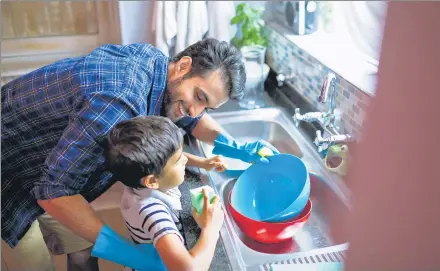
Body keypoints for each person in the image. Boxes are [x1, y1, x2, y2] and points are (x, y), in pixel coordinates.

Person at [1, 38, 279, 270]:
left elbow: (188, 115)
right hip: (10, 175)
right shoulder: (118, 103)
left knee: (82, 250)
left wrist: (232, 145)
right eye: (200, 97)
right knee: (36, 264)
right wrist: (130, 255)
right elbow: (52, 191)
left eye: (207, 106)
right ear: (183, 66)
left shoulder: (159, 66)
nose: (196, 111)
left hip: (54, 166)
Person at [105, 116, 225, 271]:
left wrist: (203, 162)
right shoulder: (153, 212)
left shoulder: (139, 181)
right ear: (152, 181)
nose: (184, 160)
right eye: (178, 160)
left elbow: (169, 158)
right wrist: (211, 229)